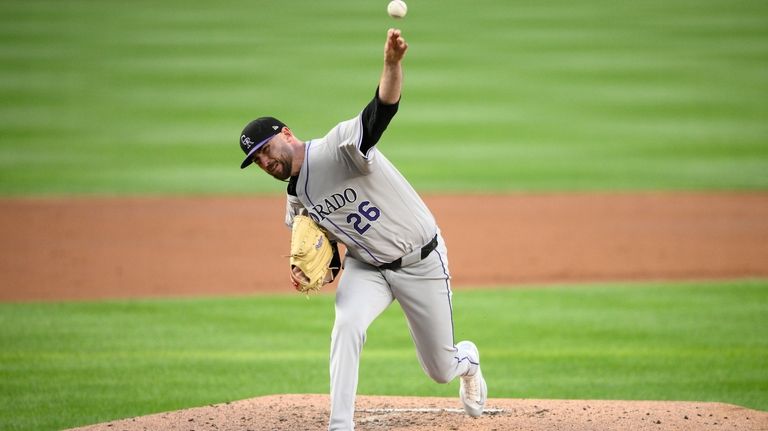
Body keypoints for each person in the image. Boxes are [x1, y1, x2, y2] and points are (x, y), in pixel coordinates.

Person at [237, 28, 487, 431]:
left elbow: (380, 111)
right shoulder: (296, 202)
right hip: (368, 268)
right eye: (257, 160)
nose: (265, 161)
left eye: (265, 149)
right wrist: (309, 270)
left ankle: (468, 360)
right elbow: (332, 256)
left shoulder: (339, 147)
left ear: (286, 134)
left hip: (420, 260)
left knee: (440, 369)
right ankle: (340, 425)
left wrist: (391, 65)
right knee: (347, 324)